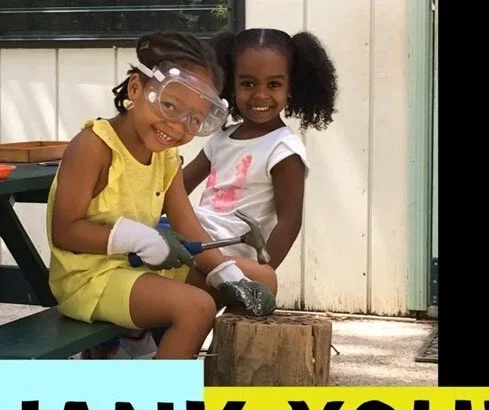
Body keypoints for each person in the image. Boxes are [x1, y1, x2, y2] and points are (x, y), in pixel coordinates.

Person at [46, 31, 278, 360]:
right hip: (90, 279)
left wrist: (226, 274)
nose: (177, 125)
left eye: (194, 119)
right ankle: (156, 403)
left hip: (141, 268)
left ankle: (223, 378)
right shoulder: (93, 146)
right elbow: (65, 231)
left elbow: (188, 227)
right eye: (169, 105)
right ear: (136, 88)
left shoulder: (166, 158)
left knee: (261, 277)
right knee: (196, 308)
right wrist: (138, 239)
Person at [183, 28, 338, 270]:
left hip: (226, 256)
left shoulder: (282, 150)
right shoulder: (222, 138)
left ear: (291, 88)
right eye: (248, 83)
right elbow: (178, 187)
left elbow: (289, 222)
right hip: (193, 237)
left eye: (274, 84)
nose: (260, 95)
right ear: (230, 84)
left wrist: (258, 277)